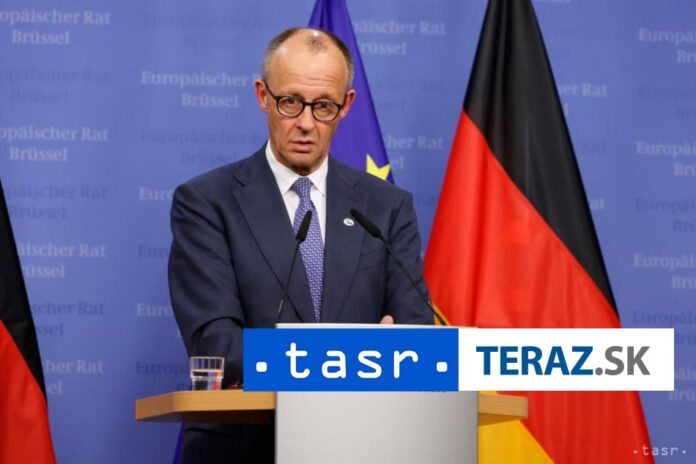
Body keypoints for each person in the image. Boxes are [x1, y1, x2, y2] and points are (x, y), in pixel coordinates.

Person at [168, 27, 432, 464]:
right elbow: (217, 348)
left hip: (363, 445)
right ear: (262, 95)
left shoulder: (386, 208)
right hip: (245, 448)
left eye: (324, 106)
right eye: (290, 102)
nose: (306, 123)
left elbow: (416, 342)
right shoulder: (205, 203)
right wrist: (360, 356)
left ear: (346, 105)